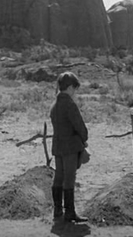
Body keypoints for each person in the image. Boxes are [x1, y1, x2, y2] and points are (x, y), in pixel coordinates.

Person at [50, 72, 89, 222]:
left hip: (58, 146)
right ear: (71, 87)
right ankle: (70, 212)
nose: (75, 92)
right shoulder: (69, 104)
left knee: (58, 177)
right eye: (75, 88)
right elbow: (79, 126)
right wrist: (84, 139)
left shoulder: (55, 105)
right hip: (70, 147)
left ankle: (57, 210)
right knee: (69, 178)